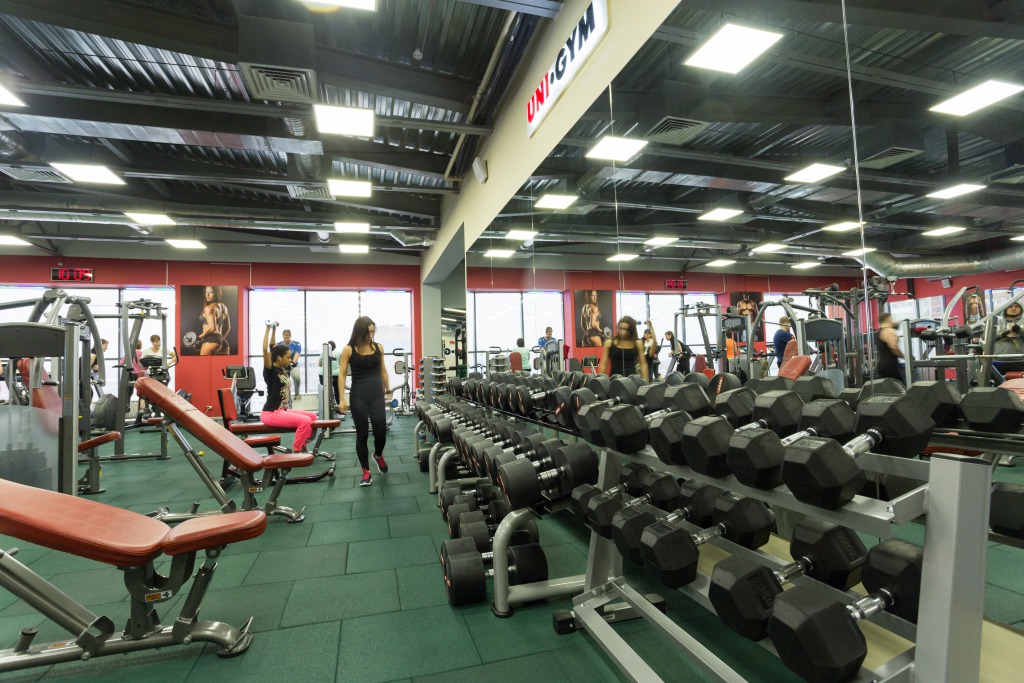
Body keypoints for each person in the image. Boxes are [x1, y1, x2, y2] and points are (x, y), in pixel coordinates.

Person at [338, 316, 392, 487]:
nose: (370, 335)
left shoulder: (378, 348)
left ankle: (378, 455)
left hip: (376, 396)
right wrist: (341, 399)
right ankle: (366, 471)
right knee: (362, 434)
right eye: (367, 332)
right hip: (358, 397)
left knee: (380, 433)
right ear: (359, 332)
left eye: (372, 332)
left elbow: (383, 371)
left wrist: (388, 389)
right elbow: (341, 374)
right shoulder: (348, 350)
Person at [259, 322, 318, 453]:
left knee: (312, 416)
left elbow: (272, 347)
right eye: (287, 357)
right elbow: (266, 350)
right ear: (279, 358)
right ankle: (297, 450)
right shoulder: (271, 371)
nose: (290, 360)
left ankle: (304, 445)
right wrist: (268, 328)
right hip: (271, 413)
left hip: (282, 410)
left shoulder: (281, 369)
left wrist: (274, 329)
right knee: (305, 421)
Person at [598, 316, 649, 381]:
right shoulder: (609, 343)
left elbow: (643, 364)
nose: (621, 331)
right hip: (614, 380)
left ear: (631, 330)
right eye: (620, 328)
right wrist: (600, 381)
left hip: (632, 381)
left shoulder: (638, 343)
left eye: (625, 329)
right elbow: (603, 364)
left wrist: (646, 383)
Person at [198, 286, 231, 356]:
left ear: (216, 293)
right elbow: (228, 327)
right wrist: (220, 339)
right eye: (206, 292)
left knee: (203, 363)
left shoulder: (209, 308)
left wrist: (198, 337)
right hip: (223, 342)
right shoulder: (224, 307)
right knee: (221, 364)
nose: (207, 295)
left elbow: (212, 327)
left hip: (210, 340)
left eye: (211, 292)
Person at [875, 313, 905, 385]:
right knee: (900, 388)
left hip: (882, 365)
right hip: (890, 366)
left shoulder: (880, 332)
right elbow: (894, 348)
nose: (892, 321)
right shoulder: (889, 331)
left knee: (888, 389)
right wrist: (905, 357)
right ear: (888, 320)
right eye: (891, 319)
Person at [318, 340, 341, 410]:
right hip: (336, 374)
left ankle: (327, 407)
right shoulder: (338, 353)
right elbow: (340, 363)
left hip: (324, 374)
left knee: (326, 390)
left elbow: (320, 364)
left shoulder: (323, 353)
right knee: (337, 390)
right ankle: (338, 407)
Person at [282, 329, 302, 397]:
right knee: (285, 382)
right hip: (284, 366)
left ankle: (297, 394)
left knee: (297, 377)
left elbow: (297, 355)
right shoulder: (279, 344)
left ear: (290, 336)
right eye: (284, 338)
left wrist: (292, 363)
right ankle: (288, 396)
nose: (286, 339)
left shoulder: (296, 344)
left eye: (287, 338)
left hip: (293, 365)